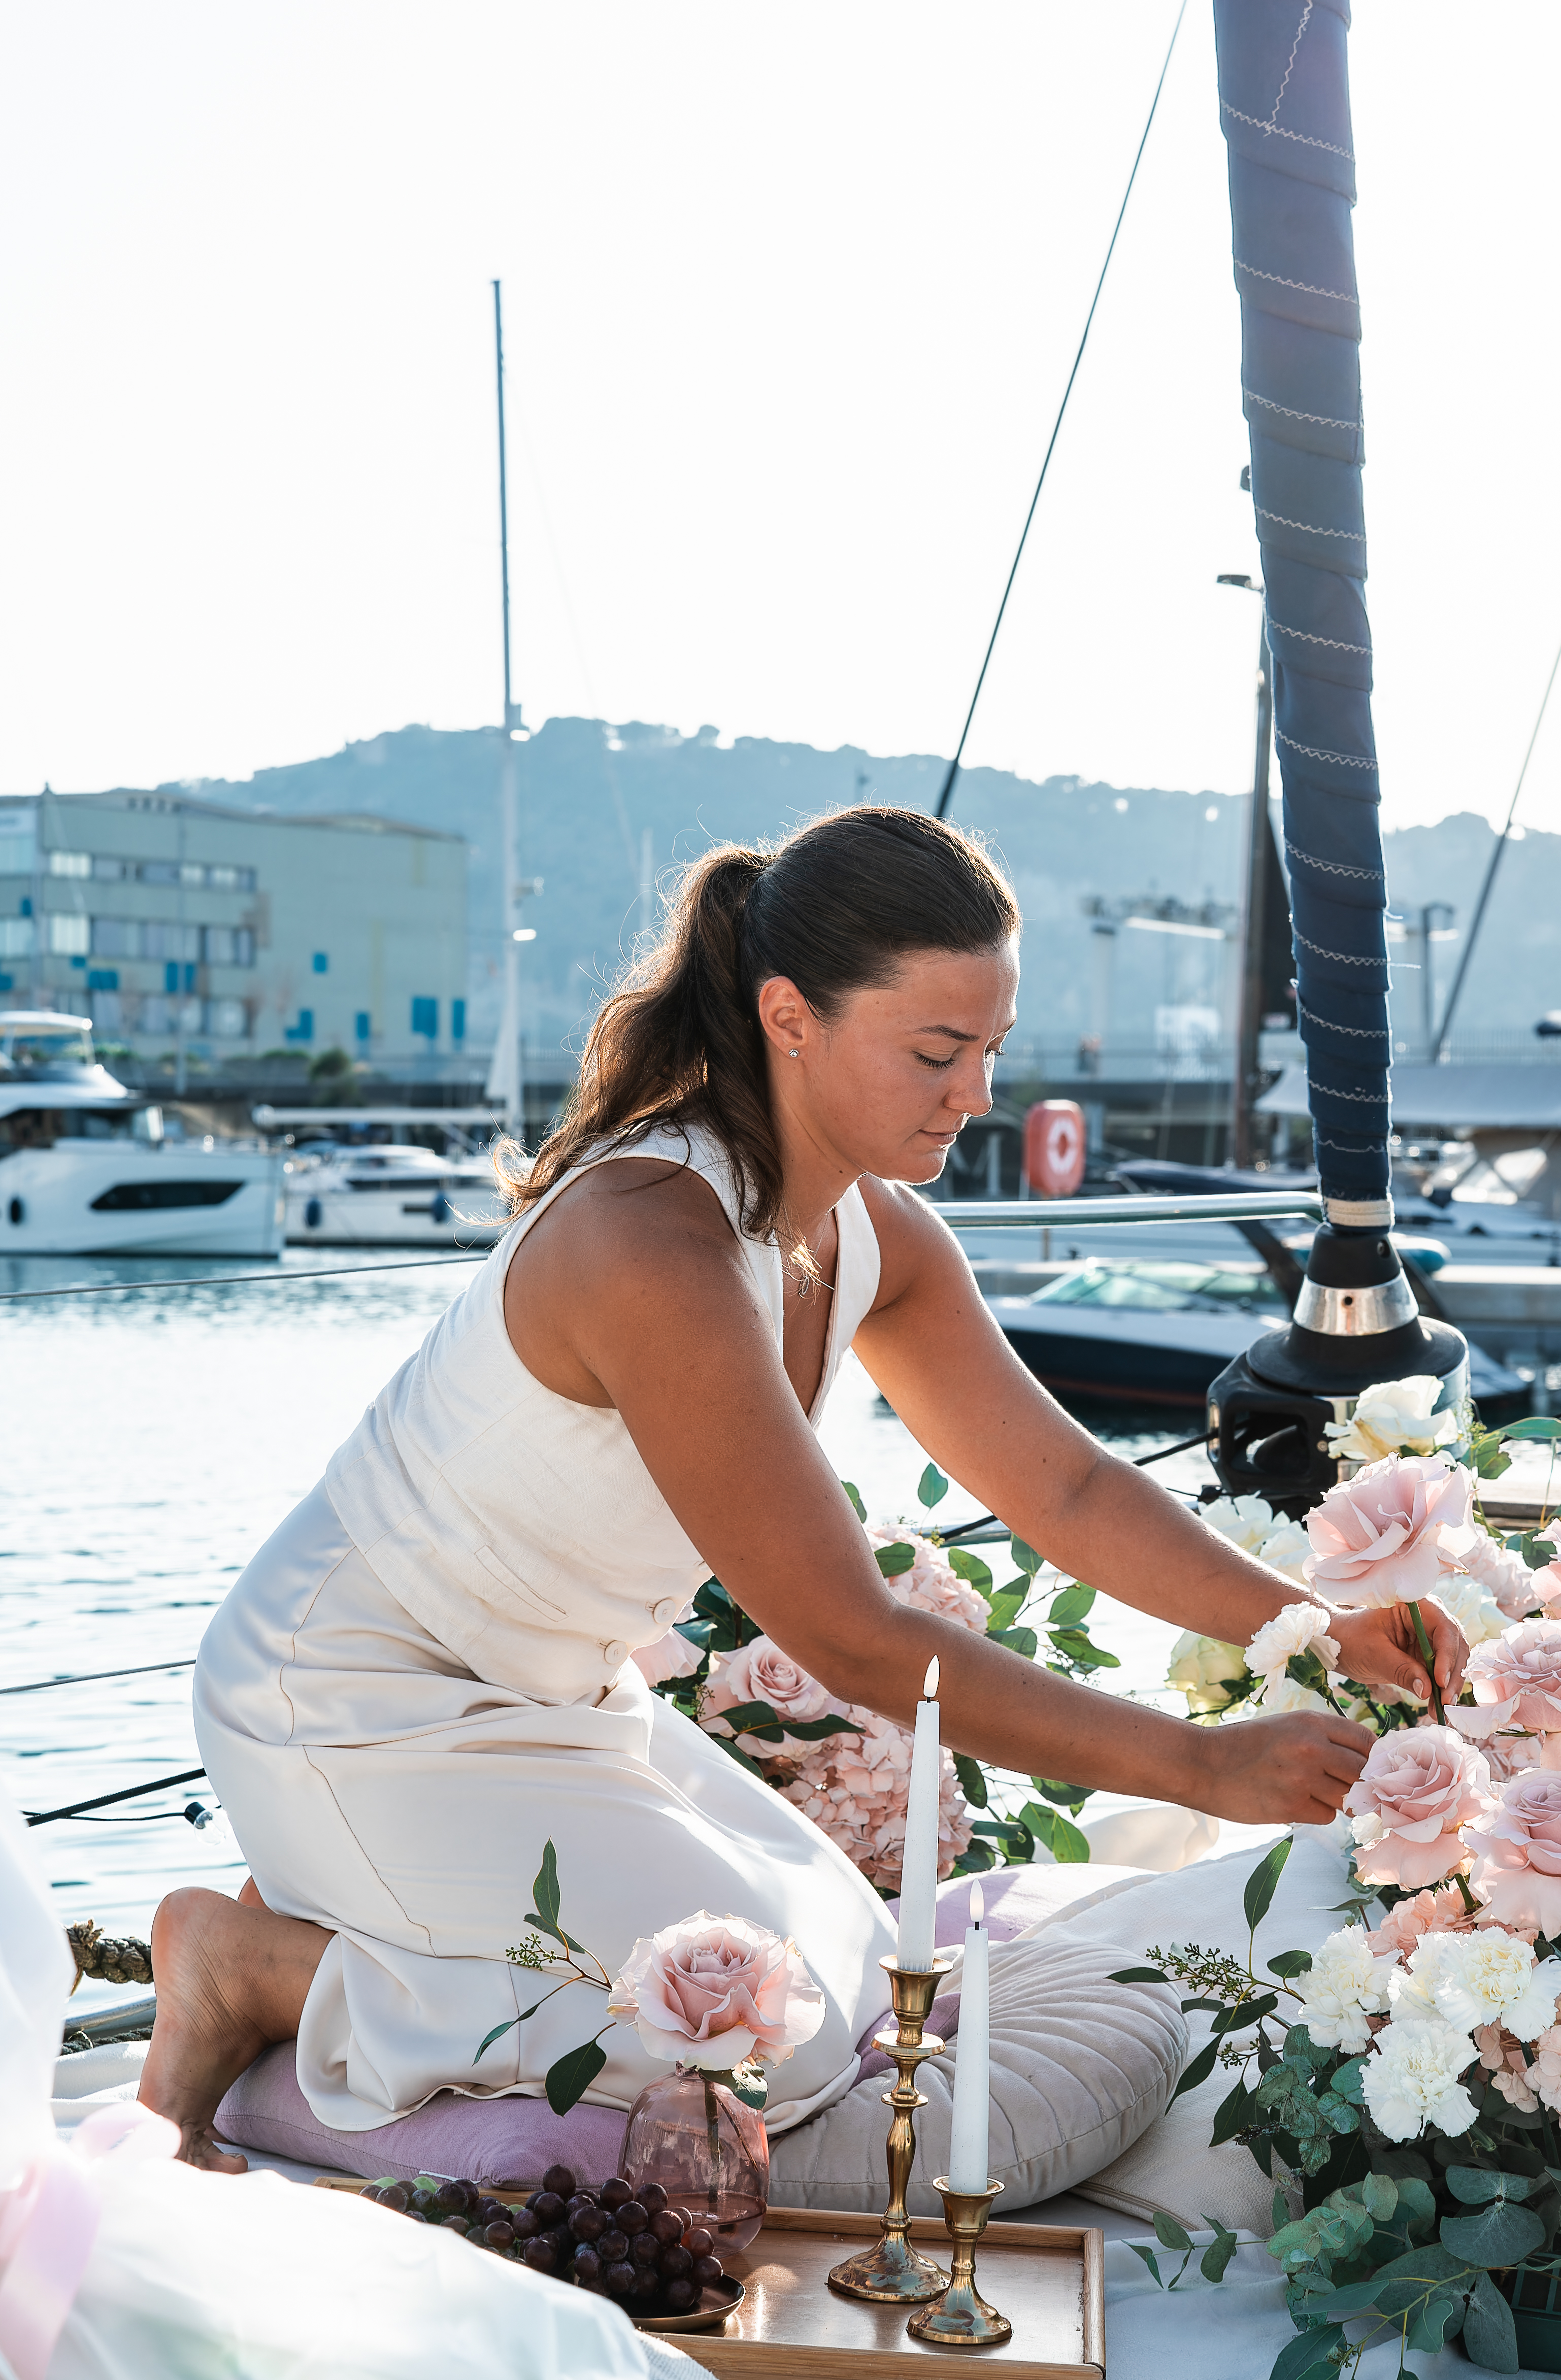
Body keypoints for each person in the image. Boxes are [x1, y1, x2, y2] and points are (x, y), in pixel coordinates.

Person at [141, 808, 1463, 2168]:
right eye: (937, 1053)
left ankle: (368, 1917)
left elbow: (1062, 1487)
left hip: (551, 1699)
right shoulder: (648, 1244)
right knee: (761, 2029)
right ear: (789, 1016)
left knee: (840, 1949)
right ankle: (251, 1965)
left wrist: (1310, 1621)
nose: (978, 1095)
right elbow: (849, 1635)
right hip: (354, 1699)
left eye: (991, 1050)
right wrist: (1194, 1762)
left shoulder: (874, 1231)